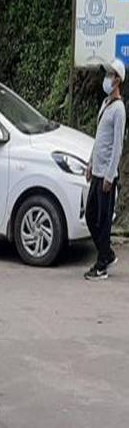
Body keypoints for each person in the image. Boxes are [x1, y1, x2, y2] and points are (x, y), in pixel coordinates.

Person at [84, 57, 126, 281]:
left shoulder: (119, 110)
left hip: (107, 176)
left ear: (118, 80)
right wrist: (91, 163)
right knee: (91, 216)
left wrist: (110, 176)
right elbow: (99, 138)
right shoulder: (105, 104)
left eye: (110, 75)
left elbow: (117, 145)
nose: (107, 78)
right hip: (97, 172)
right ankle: (107, 253)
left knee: (102, 221)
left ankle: (101, 266)